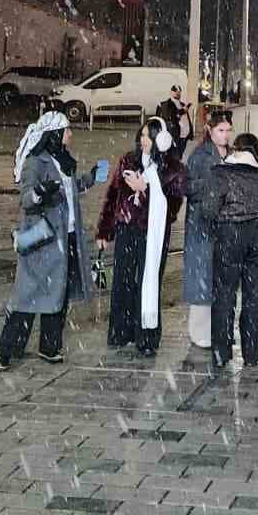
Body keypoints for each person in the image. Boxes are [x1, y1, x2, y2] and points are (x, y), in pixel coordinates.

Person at [0, 111, 103, 371]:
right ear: (54, 134)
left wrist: (90, 178)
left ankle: (50, 346)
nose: (70, 135)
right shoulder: (36, 162)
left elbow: (69, 188)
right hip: (44, 239)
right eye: (67, 131)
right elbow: (25, 199)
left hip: (68, 237)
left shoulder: (63, 159)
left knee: (59, 294)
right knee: (28, 294)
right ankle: (7, 350)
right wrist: (40, 193)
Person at [97, 117, 186, 356]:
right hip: (127, 229)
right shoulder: (128, 160)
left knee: (149, 281)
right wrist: (105, 230)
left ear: (161, 139)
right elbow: (113, 195)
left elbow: (172, 208)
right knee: (122, 280)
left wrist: (145, 190)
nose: (144, 140)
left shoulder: (173, 169)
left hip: (153, 233)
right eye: (143, 135)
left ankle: (146, 336)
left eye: (149, 136)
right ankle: (120, 331)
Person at [202, 132, 258, 370]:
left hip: (229, 234)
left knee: (224, 293)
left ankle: (221, 351)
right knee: (255, 295)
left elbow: (208, 209)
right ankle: (252, 353)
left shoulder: (220, 174)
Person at [183, 109, 232, 350]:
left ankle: (218, 329)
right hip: (201, 223)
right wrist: (214, 184)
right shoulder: (200, 155)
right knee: (201, 276)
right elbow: (188, 187)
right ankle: (199, 331)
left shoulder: (232, 154)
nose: (225, 135)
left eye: (228, 130)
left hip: (224, 225)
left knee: (220, 278)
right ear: (210, 130)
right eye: (221, 130)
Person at [155, 85, 193, 155]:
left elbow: (187, 119)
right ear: (171, 92)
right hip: (175, 135)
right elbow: (172, 116)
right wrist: (182, 111)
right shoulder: (166, 104)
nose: (178, 93)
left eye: (179, 92)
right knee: (175, 154)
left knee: (181, 153)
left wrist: (190, 132)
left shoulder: (182, 104)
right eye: (176, 91)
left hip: (185, 134)